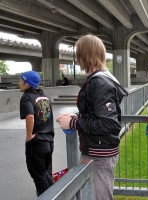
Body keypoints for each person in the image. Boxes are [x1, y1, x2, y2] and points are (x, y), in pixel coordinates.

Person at [56, 34, 128, 200]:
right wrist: (77, 116)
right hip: (98, 150)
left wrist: (73, 123)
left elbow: (108, 123)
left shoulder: (99, 83)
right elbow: (98, 113)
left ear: (84, 55)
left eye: (78, 54)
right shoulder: (104, 78)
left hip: (99, 154)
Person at [18, 70, 55, 196]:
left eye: (21, 81)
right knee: (45, 174)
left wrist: (29, 137)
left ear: (27, 84)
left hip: (37, 142)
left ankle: (51, 197)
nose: (19, 83)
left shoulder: (26, 97)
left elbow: (30, 116)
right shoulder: (44, 96)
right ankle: (61, 194)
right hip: (49, 141)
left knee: (38, 176)